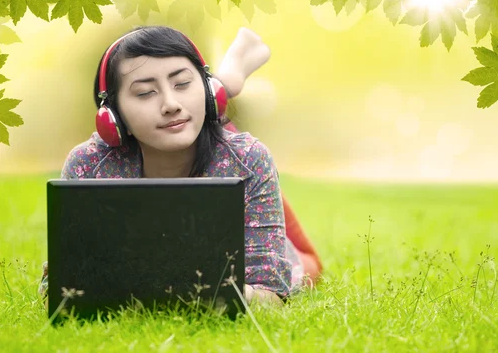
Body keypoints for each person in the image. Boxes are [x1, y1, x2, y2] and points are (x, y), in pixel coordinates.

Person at [39, 26, 322, 307]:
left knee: (310, 265)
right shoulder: (89, 166)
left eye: (183, 83)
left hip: (229, 167)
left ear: (207, 90)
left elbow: (273, 292)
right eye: (145, 92)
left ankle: (227, 79)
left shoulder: (249, 158)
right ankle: (224, 80)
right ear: (112, 114)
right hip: (210, 141)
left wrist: (206, 289)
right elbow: (59, 291)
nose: (170, 104)